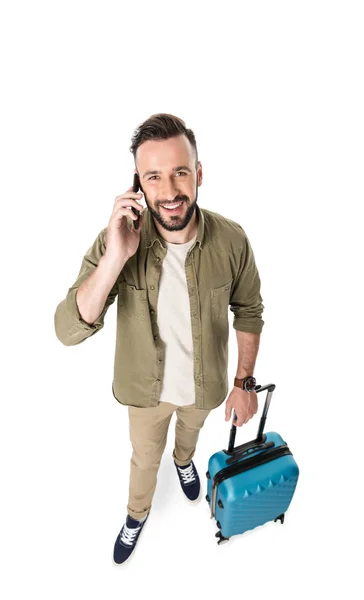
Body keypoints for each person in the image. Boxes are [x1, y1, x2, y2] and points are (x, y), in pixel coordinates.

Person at [54, 113, 265, 565]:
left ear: (199, 173)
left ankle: (184, 461)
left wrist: (244, 383)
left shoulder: (232, 241)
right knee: (144, 460)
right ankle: (136, 516)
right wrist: (116, 256)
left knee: (187, 440)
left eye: (180, 172)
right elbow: (69, 329)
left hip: (204, 391)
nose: (169, 192)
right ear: (138, 184)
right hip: (144, 396)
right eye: (153, 177)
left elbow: (249, 309)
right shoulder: (117, 241)